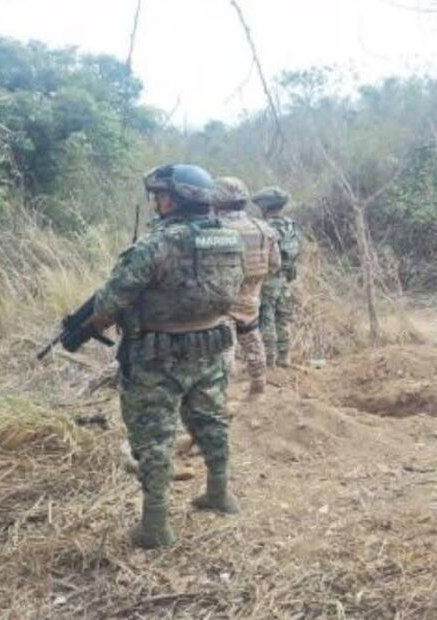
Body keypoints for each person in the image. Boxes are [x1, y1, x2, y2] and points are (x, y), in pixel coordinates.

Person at [84, 164, 246, 548]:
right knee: (211, 421)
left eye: (159, 195)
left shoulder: (154, 246)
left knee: (154, 437)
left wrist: (94, 322)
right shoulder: (229, 239)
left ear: (173, 200)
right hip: (209, 347)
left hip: (157, 358)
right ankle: (219, 493)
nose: (156, 202)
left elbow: (109, 303)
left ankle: (155, 526)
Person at [214, 176, 282, 399]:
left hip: (221, 299)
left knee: (225, 347)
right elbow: (275, 265)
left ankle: (221, 397)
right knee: (252, 338)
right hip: (251, 296)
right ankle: (258, 388)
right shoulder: (263, 229)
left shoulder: (214, 229)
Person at [251, 186, 302, 367]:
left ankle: (269, 360)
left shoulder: (265, 228)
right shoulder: (290, 225)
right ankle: (284, 357)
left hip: (268, 279)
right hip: (285, 279)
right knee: (283, 318)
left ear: (265, 206)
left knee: (266, 319)